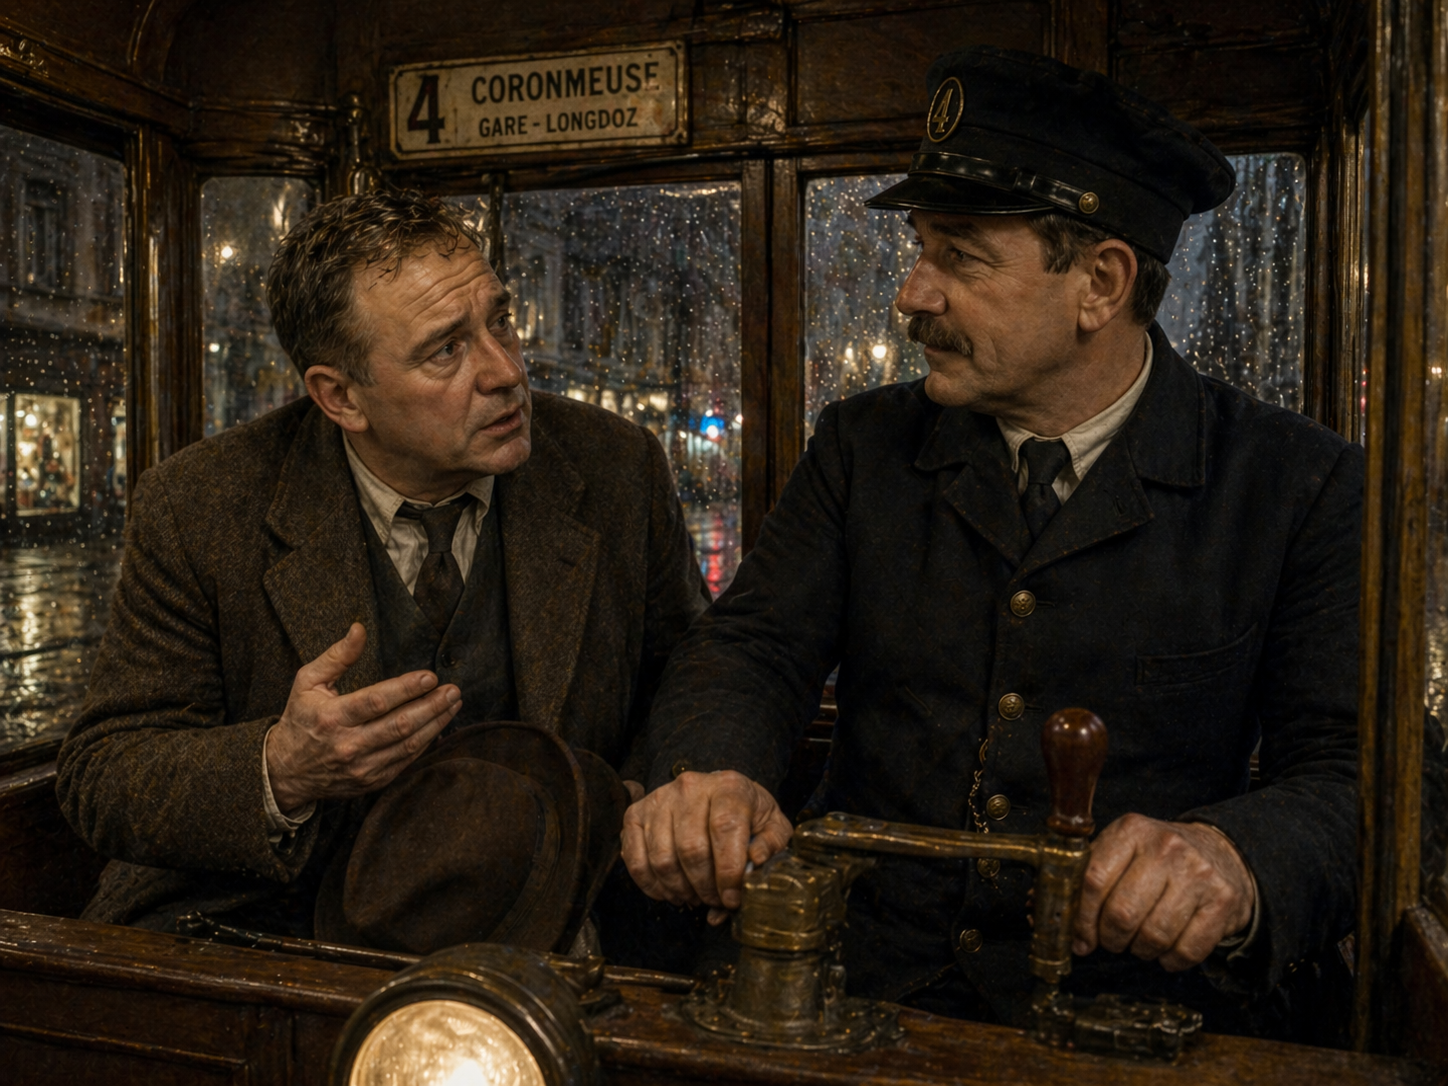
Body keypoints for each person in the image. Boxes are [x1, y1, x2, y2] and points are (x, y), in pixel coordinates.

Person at [622, 46, 1360, 1035]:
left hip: (1132, 1020)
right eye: (919, 249)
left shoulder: (1295, 485)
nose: (912, 294)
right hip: (857, 991)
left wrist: (1236, 859)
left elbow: (1361, 775)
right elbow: (752, 646)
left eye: (960, 257)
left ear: (1099, 284)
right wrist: (711, 775)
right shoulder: (863, 446)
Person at [57, 189, 710, 940]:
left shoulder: (615, 466)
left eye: (499, 320)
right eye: (446, 349)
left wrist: (636, 800)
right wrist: (282, 768)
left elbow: (693, 678)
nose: (505, 371)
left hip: (548, 913)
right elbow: (103, 773)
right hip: (280, 925)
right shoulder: (200, 504)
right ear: (340, 397)